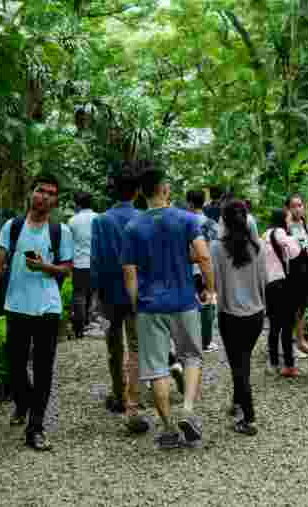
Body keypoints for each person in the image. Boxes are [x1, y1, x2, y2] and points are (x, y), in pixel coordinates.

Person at [0, 174, 74, 451]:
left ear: (55, 201)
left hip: (48, 308)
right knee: (16, 365)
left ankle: (36, 427)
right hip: (16, 306)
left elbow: (66, 269)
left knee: (43, 369)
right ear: (31, 193)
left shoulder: (61, 232)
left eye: (51, 193)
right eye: (40, 190)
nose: (44, 196)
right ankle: (22, 402)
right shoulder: (13, 227)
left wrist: (44, 267)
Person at [121, 166, 213, 449]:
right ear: (164, 189)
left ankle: (168, 428)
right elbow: (203, 255)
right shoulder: (185, 219)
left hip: (150, 305)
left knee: (156, 368)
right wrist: (210, 289)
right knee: (192, 357)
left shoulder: (133, 227)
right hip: (183, 301)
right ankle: (187, 410)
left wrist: (137, 303)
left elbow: (129, 272)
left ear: (141, 193)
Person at [91, 165, 154, 433]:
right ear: (137, 191)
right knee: (137, 347)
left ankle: (118, 394)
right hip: (139, 293)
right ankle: (133, 399)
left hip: (111, 295)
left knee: (114, 346)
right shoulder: (146, 217)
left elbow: (96, 260)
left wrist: (96, 295)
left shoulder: (101, 221)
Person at [212, 199, 268, 435]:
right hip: (256, 315)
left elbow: (214, 281)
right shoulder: (258, 246)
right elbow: (264, 281)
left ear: (223, 220)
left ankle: (249, 417)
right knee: (242, 360)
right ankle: (237, 403)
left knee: (239, 365)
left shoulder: (217, 248)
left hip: (230, 315)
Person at [263, 209, 302, 376]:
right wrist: (294, 239)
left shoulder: (265, 234)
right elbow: (295, 252)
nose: (289, 220)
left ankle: (272, 362)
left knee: (274, 325)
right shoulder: (279, 232)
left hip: (269, 284)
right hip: (282, 284)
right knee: (287, 325)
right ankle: (288, 364)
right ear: (282, 220)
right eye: (287, 218)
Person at [285, 194, 308, 360]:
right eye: (294, 206)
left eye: (300, 205)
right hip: (292, 271)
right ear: (288, 208)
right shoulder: (286, 226)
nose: (298, 208)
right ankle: (291, 344)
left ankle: (300, 340)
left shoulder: (306, 224)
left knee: (302, 307)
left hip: (306, 270)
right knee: (292, 308)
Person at [186, 189, 220, 353]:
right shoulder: (212, 224)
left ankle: (190, 340)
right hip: (207, 268)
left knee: (189, 305)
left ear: (190, 203)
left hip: (189, 268)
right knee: (207, 302)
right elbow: (216, 247)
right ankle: (206, 341)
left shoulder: (184, 222)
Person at [68, 191, 98, 339]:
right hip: (95, 263)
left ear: (77, 204)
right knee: (92, 293)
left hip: (79, 263)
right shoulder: (98, 219)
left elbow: (69, 243)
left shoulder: (72, 221)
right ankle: (87, 322)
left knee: (79, 294)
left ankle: (78, 328)